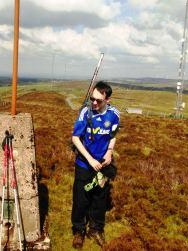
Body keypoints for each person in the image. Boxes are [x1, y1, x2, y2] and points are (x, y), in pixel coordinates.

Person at [71, 81, 120, 248]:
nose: (94, 103)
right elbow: (75, 138)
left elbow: (112, 135)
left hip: (103, 165)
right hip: (84, 164)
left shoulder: (114, 114)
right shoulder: (86, 112)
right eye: (92, 98)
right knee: (81, 198)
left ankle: (96, 229)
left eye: (98, 100)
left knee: (100, 198)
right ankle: (79, 230)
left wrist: (109, 151)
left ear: (107, 99)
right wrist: (90, 160)